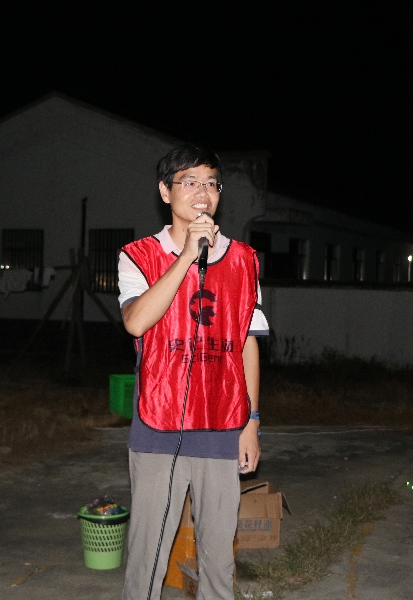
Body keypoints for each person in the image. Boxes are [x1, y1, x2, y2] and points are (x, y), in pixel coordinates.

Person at [118, 143, 269, 600]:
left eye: (211, 183)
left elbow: (246, 344)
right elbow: (136, 322)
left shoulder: (244, 260)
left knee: (219, 559)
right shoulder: (138, 255)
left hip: (222, 424)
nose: (203, 192)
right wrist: (186, 256)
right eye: (190, 182)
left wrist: (252, 422)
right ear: (166, 192)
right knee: (147, 555)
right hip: (157, 425)